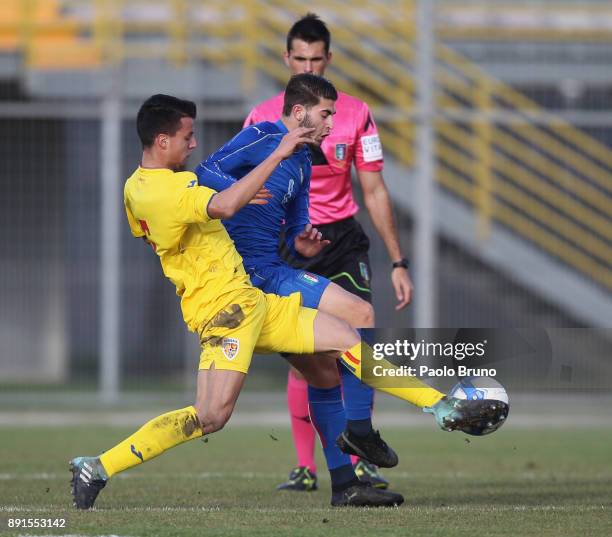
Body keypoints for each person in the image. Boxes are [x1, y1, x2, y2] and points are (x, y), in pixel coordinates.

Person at [70, 93, 505, 511]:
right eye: (187, 136)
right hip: (225, 313)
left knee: (345, 340)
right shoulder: (167, 188)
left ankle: (439, 408)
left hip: (251, 299)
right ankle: (97, 467)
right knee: (210, 416)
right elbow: (222, 205)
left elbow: (201, 212)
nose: (194, 143)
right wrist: (274, 157)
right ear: (162, 141)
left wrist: (256, 201)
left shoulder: (138, 187)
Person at [196, 73, 399, 498]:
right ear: (301, 112)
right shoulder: (262, 135)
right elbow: (204, 172)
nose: (331, 123)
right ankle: (359, 432)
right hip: (244, 277)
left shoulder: (305, 160)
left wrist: (301, 242)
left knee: (329, 368)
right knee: (212, 414)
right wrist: (237, 193)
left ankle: (345, 481)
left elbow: (293, 226)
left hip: (276, 266)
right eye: (326, 114)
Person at [243, 14, 413, 491]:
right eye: (301, 59)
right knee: (308, 354)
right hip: (287, 241)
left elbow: (375, 190)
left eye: (318, 59)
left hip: (341, 239)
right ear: (287, 59)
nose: (310, 66)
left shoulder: (353, 113)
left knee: (360, 332)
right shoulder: (261, 117)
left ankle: (359, 448)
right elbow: (246, 190)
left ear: (330, 59)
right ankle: (306, 465)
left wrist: (399, 261)